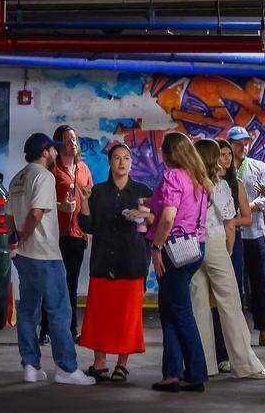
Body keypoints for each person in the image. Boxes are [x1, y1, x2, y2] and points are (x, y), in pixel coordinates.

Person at [7, 133, 96, 387]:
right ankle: (66, 368)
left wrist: (15, 242)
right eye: (54, 149)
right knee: (59, 311)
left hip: (24, 257)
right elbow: (36, 213)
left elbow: (9, 217)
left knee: (28, 312)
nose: (57, 153)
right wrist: (25, 235)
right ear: (45, 152)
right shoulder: (45, 176)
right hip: (45, 255)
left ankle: (31, 366)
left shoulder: (18, 178)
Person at [189, 139, 265, 381]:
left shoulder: (191, 183)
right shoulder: (221, 185)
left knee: (199, 305)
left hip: (192, 246)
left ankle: (204, 365)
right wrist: (228, 250)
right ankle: (245, 365)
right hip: (215, 244)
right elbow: (230, 224)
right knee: (230, 304)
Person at [76, 143, 153, 383]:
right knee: (100, 316)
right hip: (103, 261)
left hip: (132, 261)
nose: (122, 162)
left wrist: (145, 215)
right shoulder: (98, 191)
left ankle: (121, 365)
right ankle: (99, 364)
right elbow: (87, 226)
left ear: (131, 163)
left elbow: (154, 223)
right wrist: (85, 202)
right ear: (110, 162)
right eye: (117, 158)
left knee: (127, 318)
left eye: (126, 158)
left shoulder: (142, 191)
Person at [148, 131, 212, 393]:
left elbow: (168, 218)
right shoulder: (199, 179)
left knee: (181, 313)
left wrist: (156, 247)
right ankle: (172, 373)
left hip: (173, 249)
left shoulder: (173, 176)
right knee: (170, 310)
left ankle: (196, 373)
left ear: (168, 153)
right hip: (195, 247)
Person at [227, 126, 265, 348]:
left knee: (261, 282)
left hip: (254, 233)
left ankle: (264, 331)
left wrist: (246, 208)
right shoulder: (223, 169)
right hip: (230, 234)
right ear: (230, 144)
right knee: (233, 284)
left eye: (246, 143)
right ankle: (235, 333)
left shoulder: (258, 167)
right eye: (238, 144)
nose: (243, 147)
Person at [45, 125, 92, 344]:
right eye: (67, 140)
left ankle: (71, 329)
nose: (72, 143)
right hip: (56, 234)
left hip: (77, 234)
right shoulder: (52, 170)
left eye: (74, 139)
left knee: (71, 284)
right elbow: (42, 201)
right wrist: (59, 206)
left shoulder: (84, 169)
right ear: (58, 144)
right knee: (53, 283)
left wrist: (89, 228)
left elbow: (89, 199)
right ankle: (46, 329)